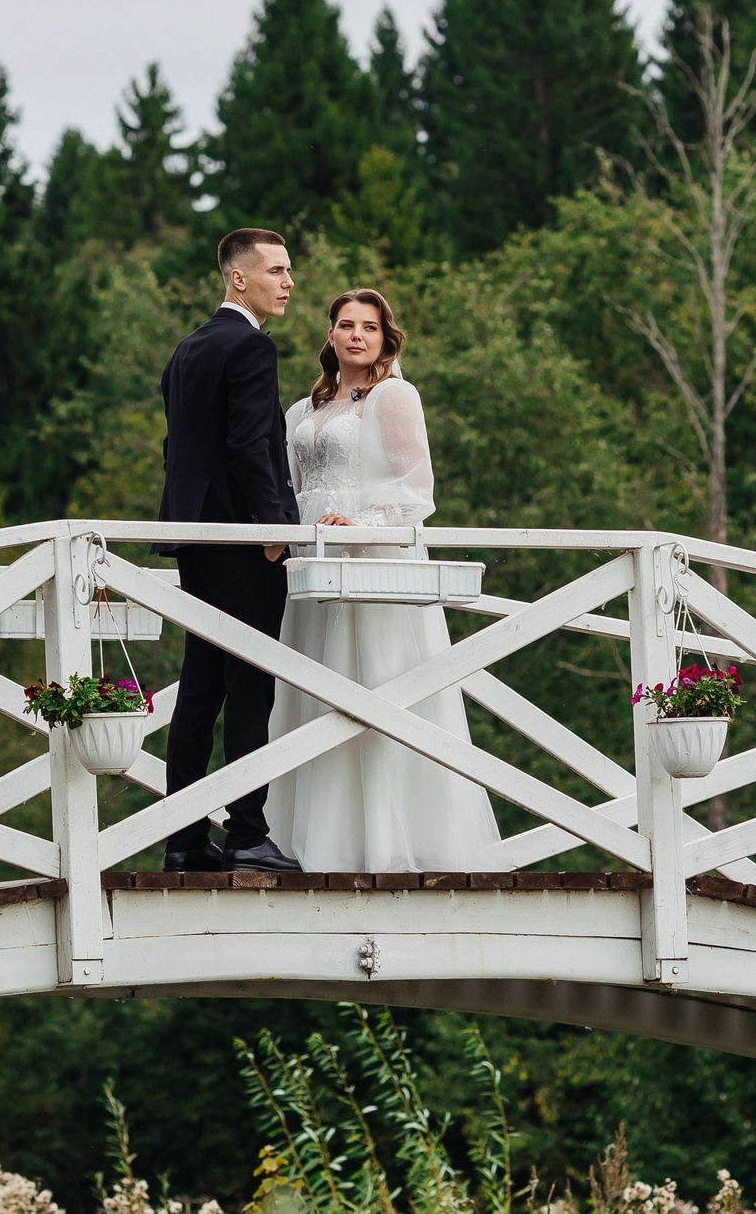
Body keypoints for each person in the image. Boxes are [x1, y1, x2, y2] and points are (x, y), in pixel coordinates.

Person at [264, 289, 499, 872]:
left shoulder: (393, 397)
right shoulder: (302, 410)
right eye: (345, 325)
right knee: (314, 690)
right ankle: (309, 844)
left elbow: (416, 489)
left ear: (384, 336)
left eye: (368, 327)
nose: (356, 336)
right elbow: (289, 491)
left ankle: (388, 843)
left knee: (380, 684)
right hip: (311, 571)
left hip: (372, 564)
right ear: (330, 334)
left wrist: (358, 524)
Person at [155, 228, 305, 874]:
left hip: (196, 534)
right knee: (249, 684)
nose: (288, 281)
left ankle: (185, 840)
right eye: (276, 269)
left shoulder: (188, 348)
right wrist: (274, 526)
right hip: (241, 540)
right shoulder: (250, 345)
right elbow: (248, 444)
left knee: (201, 687)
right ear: (238, 278)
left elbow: (182, 447)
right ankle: (247, 831)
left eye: (289, 269)